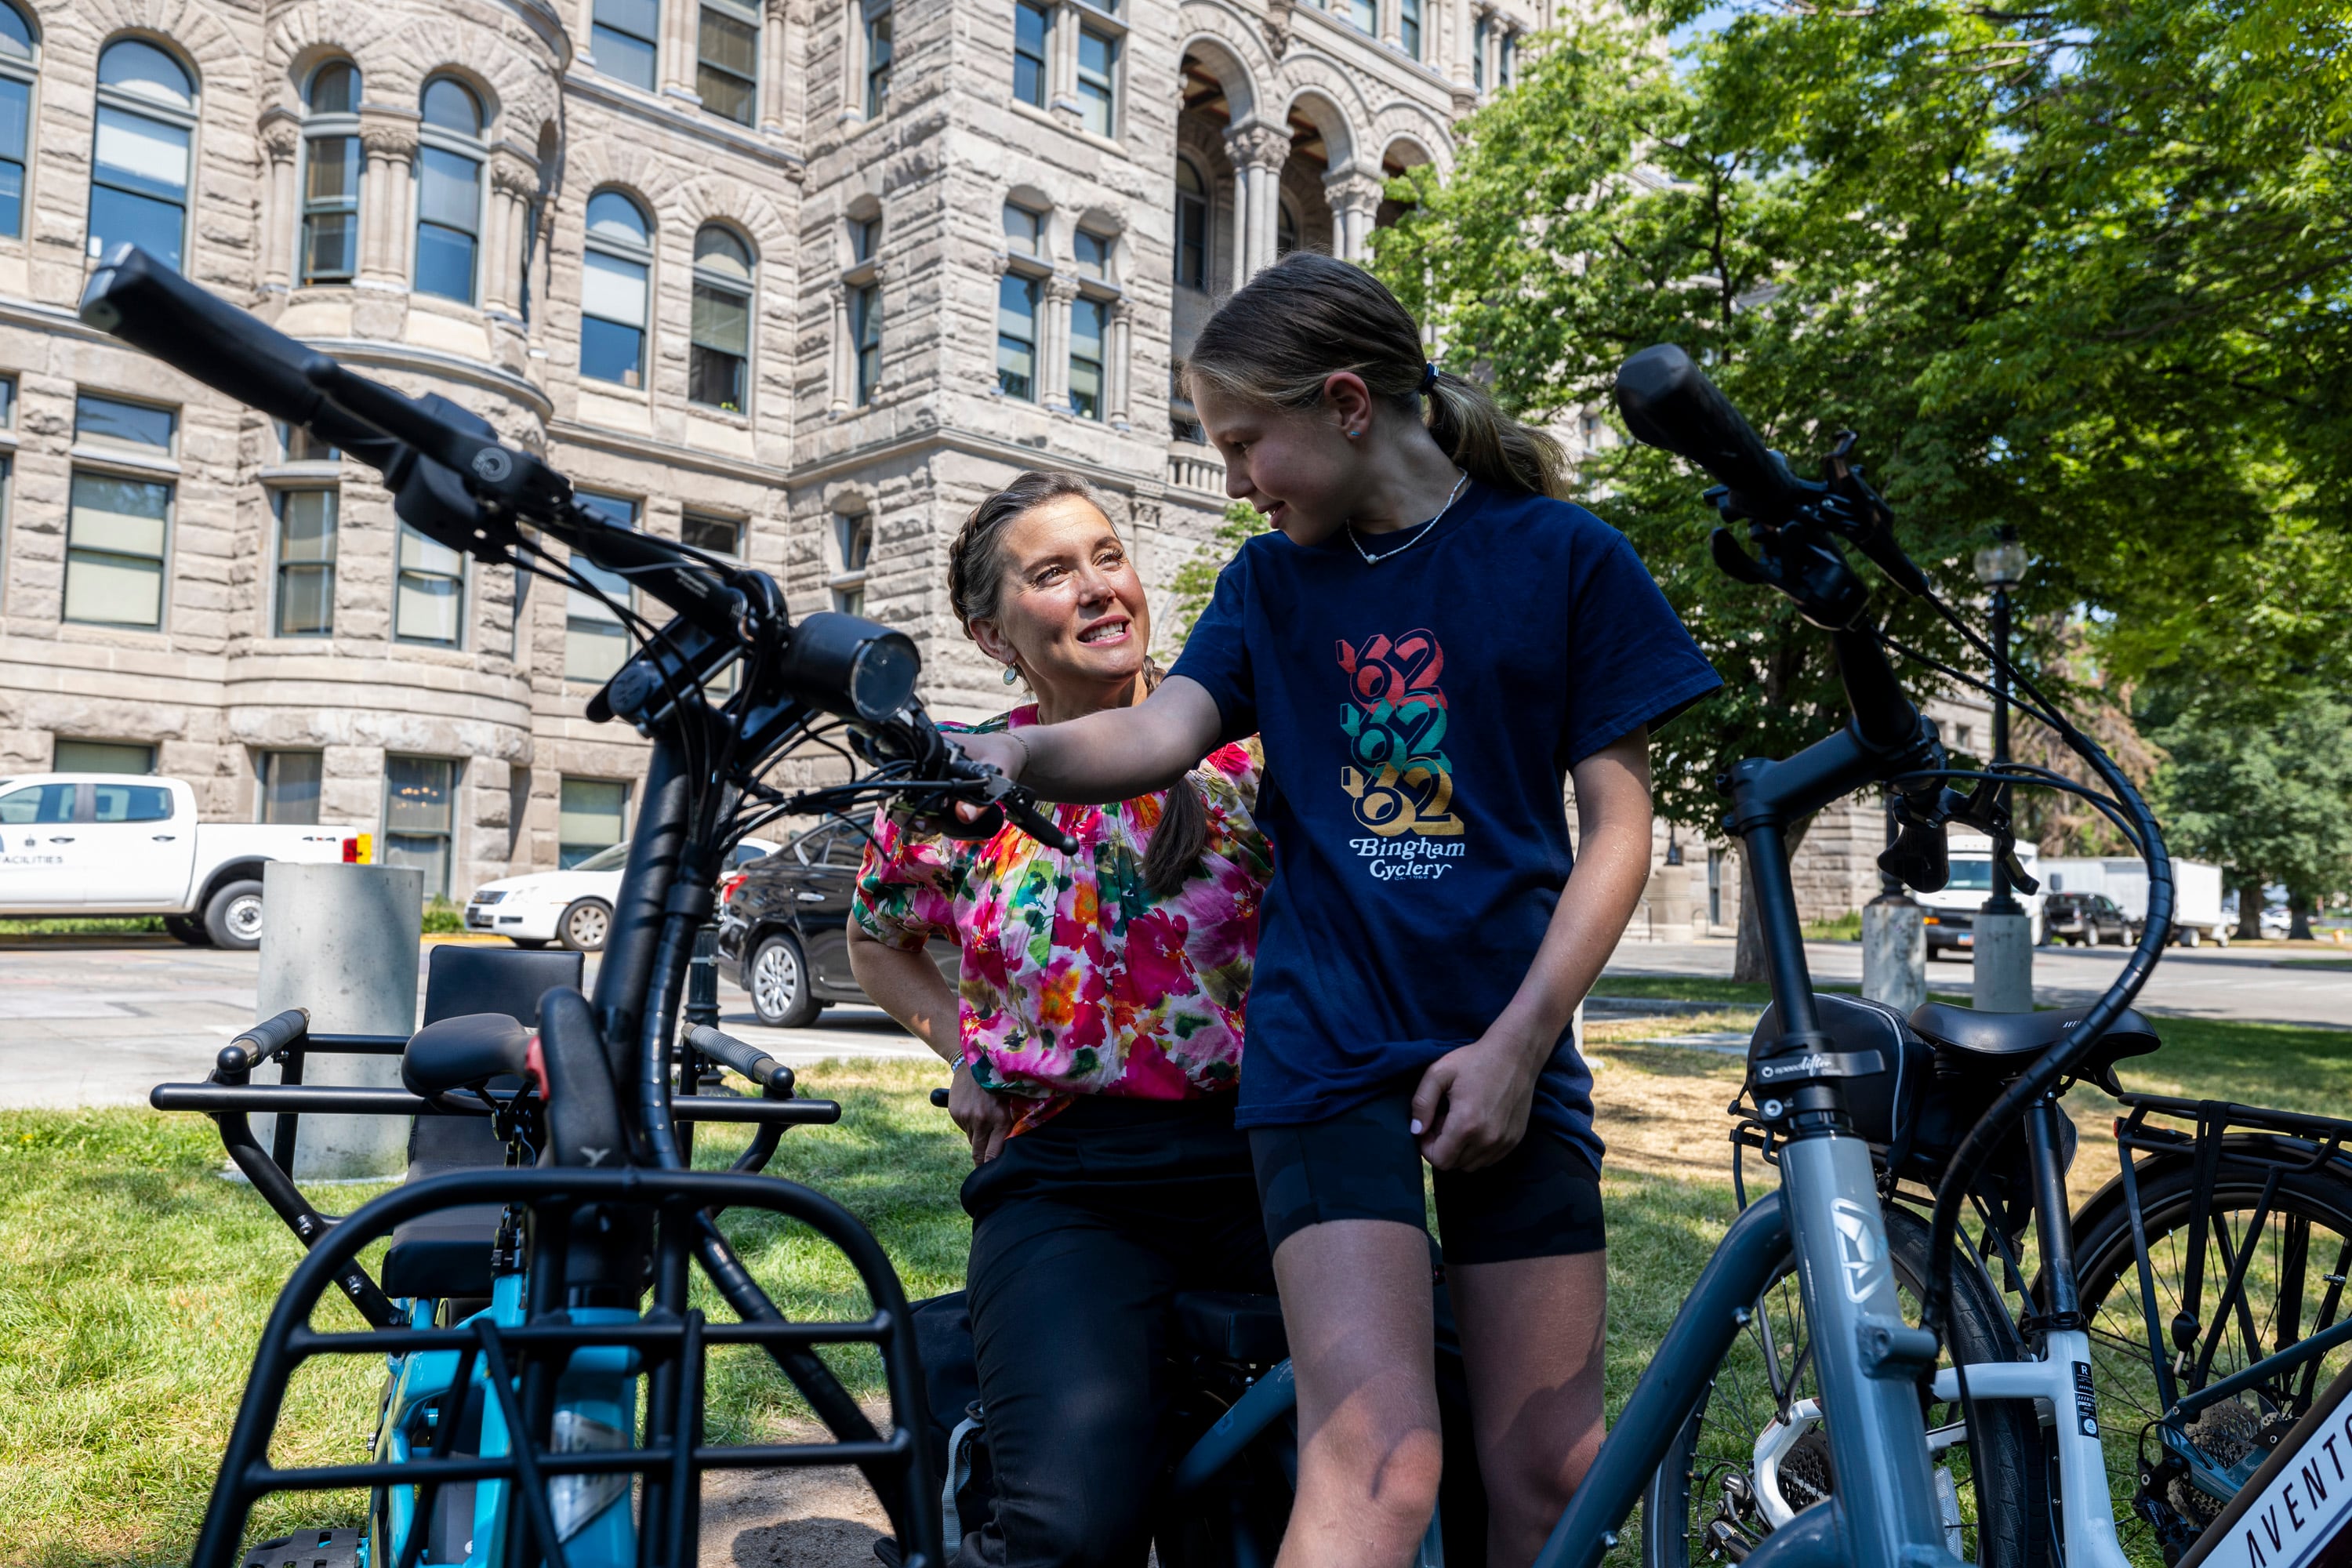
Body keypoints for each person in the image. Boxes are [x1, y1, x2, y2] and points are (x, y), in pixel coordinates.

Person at [949, 252, 1722, 1568]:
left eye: (1249, 443)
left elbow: (1620, 831)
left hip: (1512, 1040)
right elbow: (1162, 733)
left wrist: (1521, 1048)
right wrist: (1016, 756)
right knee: (1380, 1468)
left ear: (1349, 403)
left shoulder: (1565, 557)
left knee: (1550, 1472)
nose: (1242, 480)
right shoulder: (1269, 584)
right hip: (1325, 1055)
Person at [846, 470, 1277, 1568]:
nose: (1096, 589)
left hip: (1266, 1162)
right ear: (993, 634)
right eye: (1052, 574)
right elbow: (878, 941)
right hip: (1067, 1182)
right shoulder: (959, 783)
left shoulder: (1249, 758)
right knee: (1067, 1533)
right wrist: (964, 1053)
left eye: (1106, 556)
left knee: (1404, 1443)